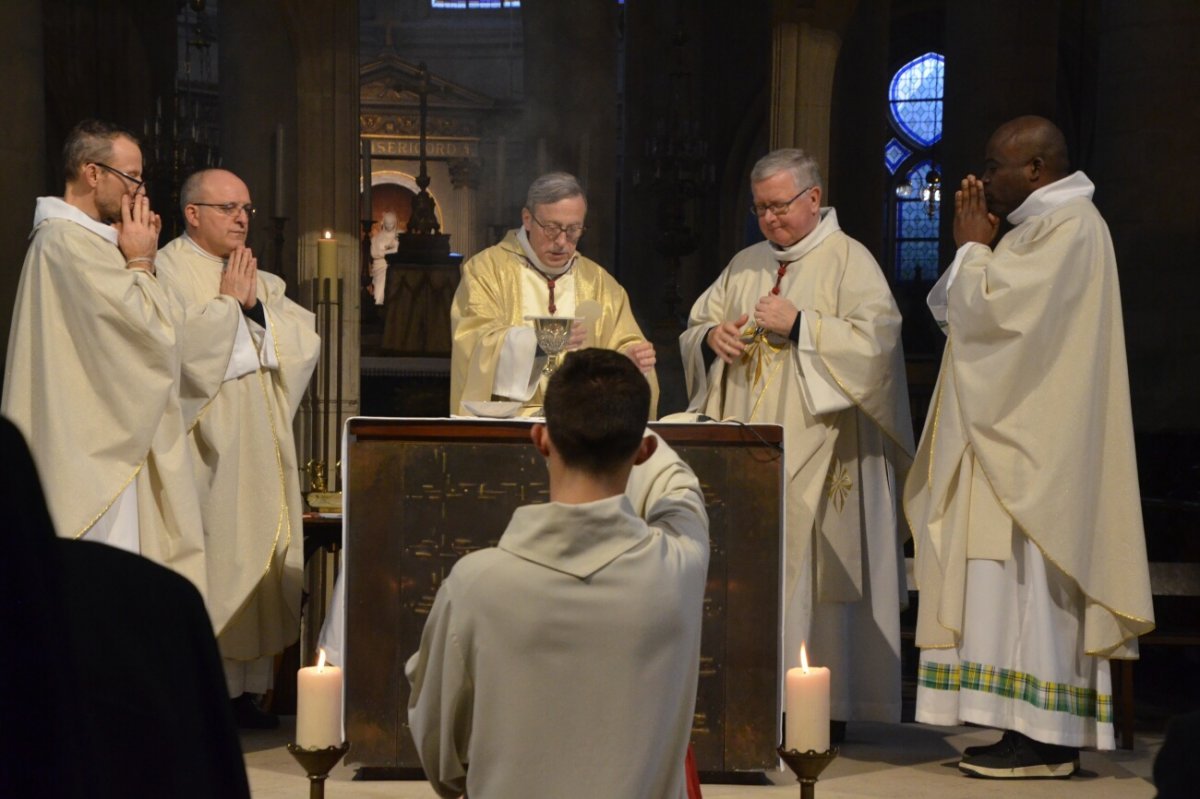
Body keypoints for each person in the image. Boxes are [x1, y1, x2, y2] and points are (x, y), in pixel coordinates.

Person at [904, 115, 1155, 778]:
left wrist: (970, 248)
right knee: (1005, 589)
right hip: (1014, 441)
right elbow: (974, 321)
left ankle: (1047, 735)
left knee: (1031, 592)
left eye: (995, 165)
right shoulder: (1039, 230)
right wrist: (977, 253)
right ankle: (1022, 724)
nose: (984, 177)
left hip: (1042, 457)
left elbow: (996, 322)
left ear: (1037, 169)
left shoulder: (1070, 229)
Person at [680, 148, 914, 736]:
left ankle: (827, 709)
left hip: (826, 454)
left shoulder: (849, 261)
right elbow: (697, 322)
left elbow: (879, 347)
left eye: (779, 206)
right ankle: (759, 697)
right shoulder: (747, 262)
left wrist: (803, 326)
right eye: (760, 209)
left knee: (816, 579)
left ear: (813, 198)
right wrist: (715, 337)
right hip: (754, 455)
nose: (769, 220)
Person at [406, 348, 709, 799]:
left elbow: (440, 752)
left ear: (541, 439)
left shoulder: (474, 586)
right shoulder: (678, 569)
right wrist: (622, 410)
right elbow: (680, 490)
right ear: (643, 449)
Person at [1, 119, 207, 594]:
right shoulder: (67, 243)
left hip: (108, 442)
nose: (140, 192)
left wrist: (139, 260)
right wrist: (139, 261)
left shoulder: (87, 242)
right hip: (95, 460)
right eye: (132, 178)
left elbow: (162, 332)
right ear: (93, 173)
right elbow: (151, 339)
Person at [156, 168, 320, 726]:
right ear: (192, 213)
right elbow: (170, 352)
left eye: (246, 207)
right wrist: (229, 310)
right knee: (214, 560)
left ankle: (250, 694)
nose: (242, 218)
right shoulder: (163, 271)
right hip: (201, 445)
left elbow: (300, 339)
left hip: (260, 442)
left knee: (257, 558)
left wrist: (250, 310)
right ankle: (206, 695)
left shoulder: (257, 277)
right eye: (228, 208)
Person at [450, 171, 659, 417]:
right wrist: (538, 341)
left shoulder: (600, 283)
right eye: (551, 228)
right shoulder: (487, 271)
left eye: (573, 230)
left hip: (581, 427)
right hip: (511, 422)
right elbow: (473, 343)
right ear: (527, 219)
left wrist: (626, 364)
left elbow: (625, 344)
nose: (562, 241)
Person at [368, 210, 399, 305]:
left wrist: (383, 252)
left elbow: (397, 251)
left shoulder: (398, 237)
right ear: (384, 223)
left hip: (392, 267)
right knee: (379, 293)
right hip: (379, 267)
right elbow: (373, 253)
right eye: (387, 224)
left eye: (391, 224)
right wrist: (388, 251)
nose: (389, 226)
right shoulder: (376, 238)